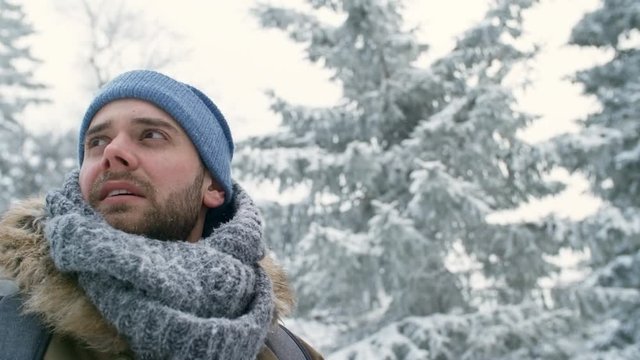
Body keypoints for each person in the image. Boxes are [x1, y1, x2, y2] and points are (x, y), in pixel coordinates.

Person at [0, 70, 323, 360]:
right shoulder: (11, 322)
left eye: (152, 135)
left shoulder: (289, 353)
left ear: (213, 187)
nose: (112, 152)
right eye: (97, 141)